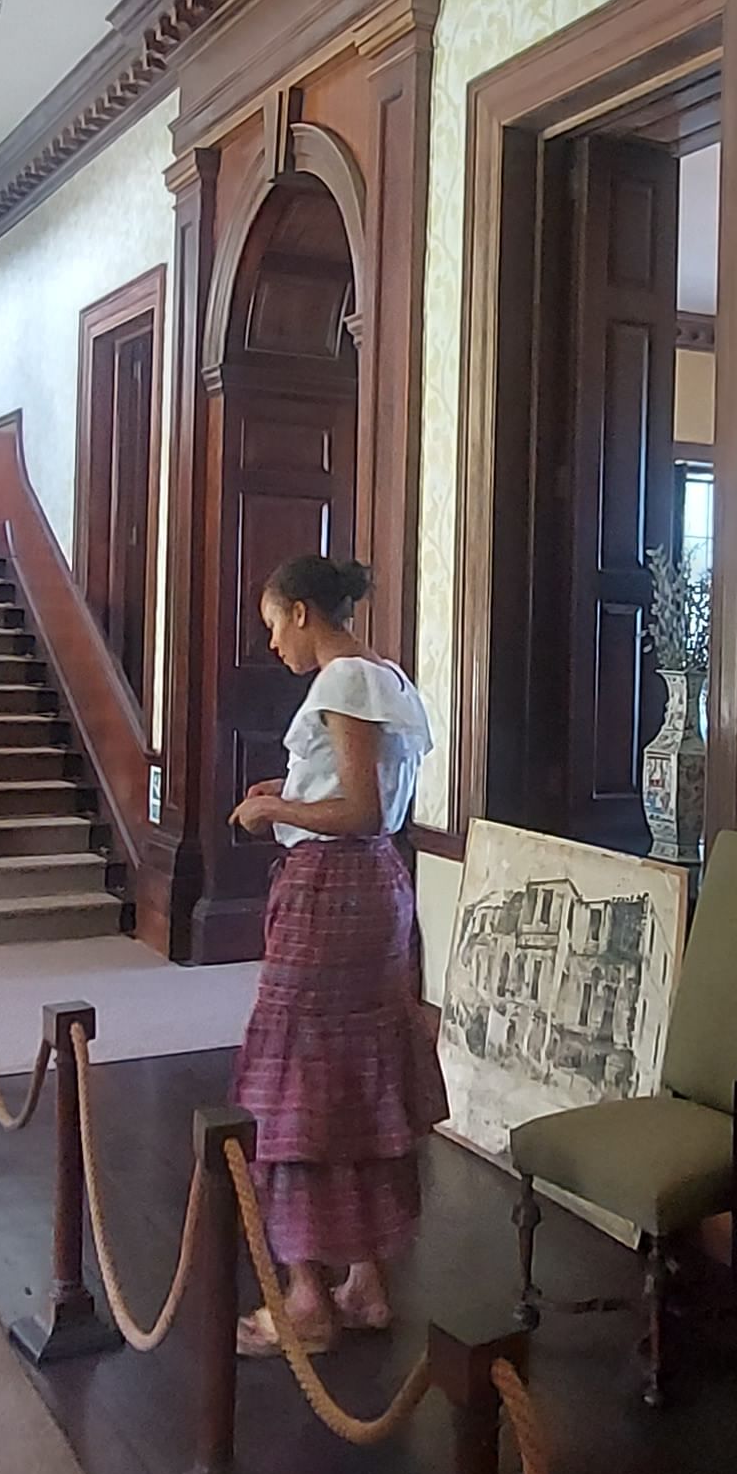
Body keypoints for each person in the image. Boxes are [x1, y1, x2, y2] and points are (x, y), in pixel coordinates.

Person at [223, 556, 445, 1355]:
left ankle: (308, 1298)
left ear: (303, 612)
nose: (273, 642)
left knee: (299, 1083)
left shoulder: (344, 679)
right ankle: (364, 1281)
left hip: (332, 891)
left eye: (273, 623)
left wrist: (272, 810)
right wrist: (286, 797)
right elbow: (362, 796)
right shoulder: (386, 677)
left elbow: (356, 809)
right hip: (376, 888)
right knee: (353, 1079)